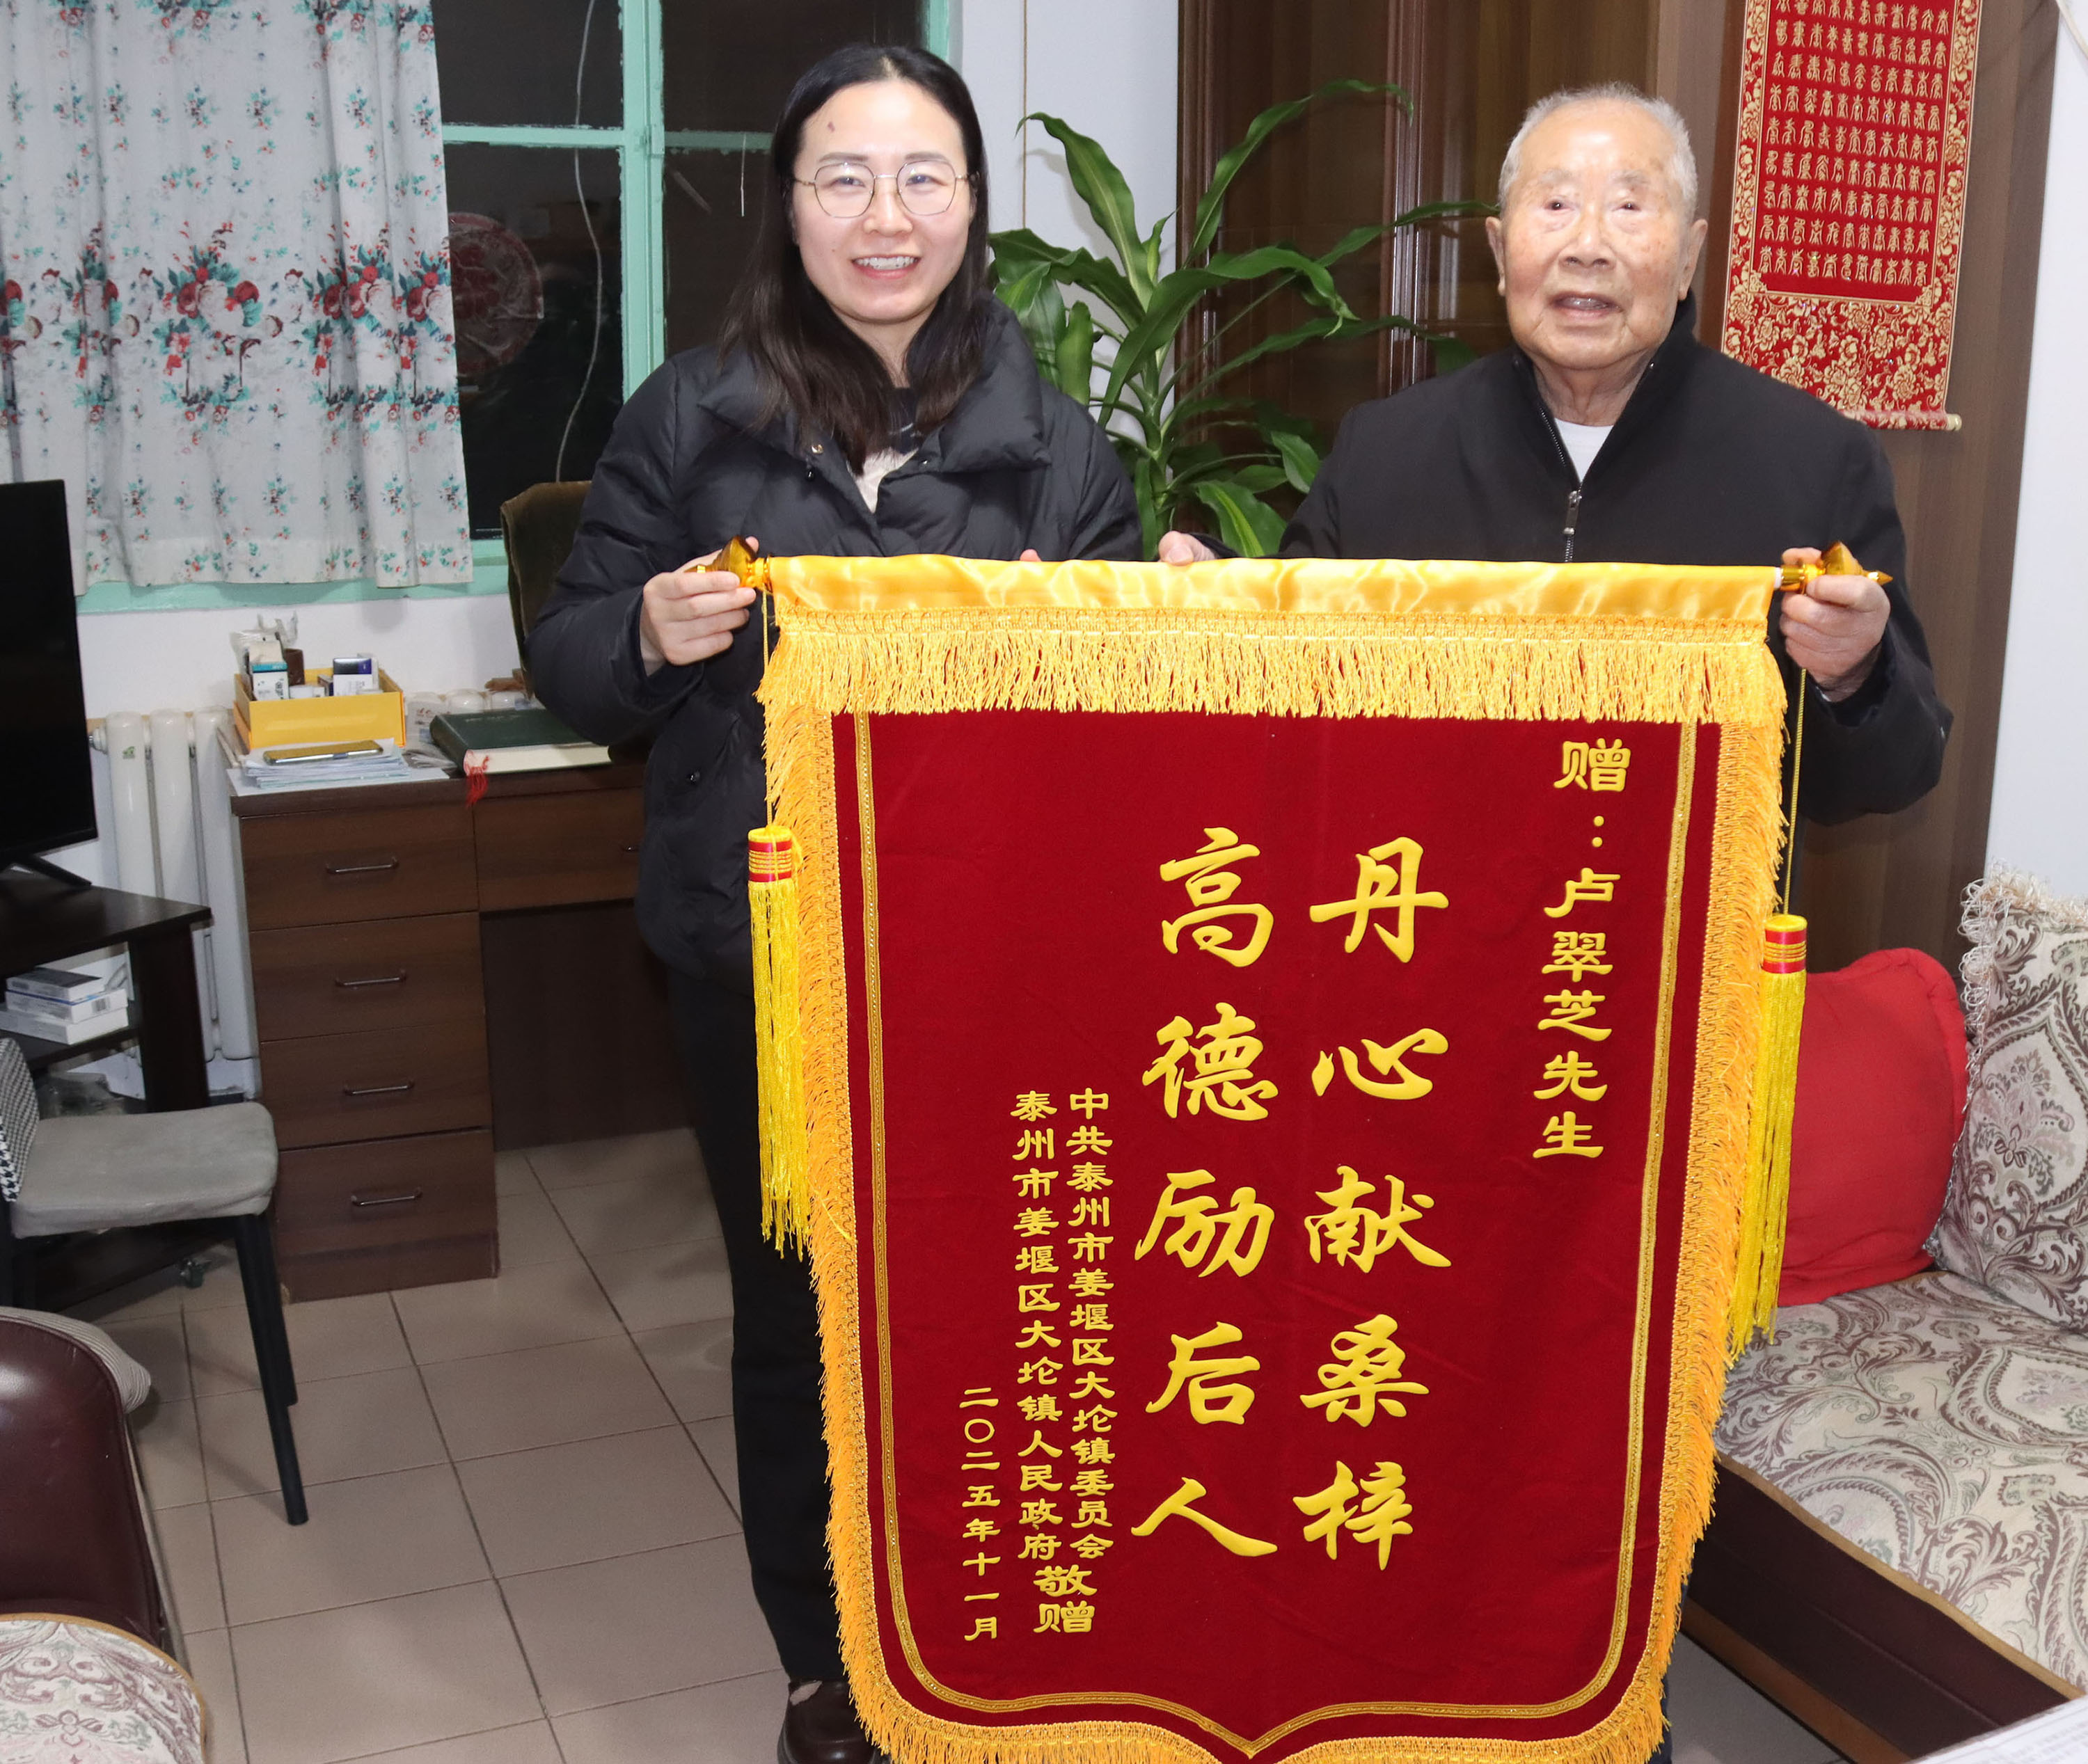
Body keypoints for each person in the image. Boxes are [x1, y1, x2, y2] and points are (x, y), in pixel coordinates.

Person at [528, 44, 1141, 1764]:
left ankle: (990, 1619)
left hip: (992, 967)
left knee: (995, 1296)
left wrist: (1101, 642)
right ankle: (825, 1659)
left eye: (923, 176)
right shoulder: (687, 414)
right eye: (845, 178)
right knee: (797, 1316)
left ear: (972, 204)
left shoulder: (1057, 448)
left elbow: (1138, 735)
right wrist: (645, 630)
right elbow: (569, 661)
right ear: (789, 207)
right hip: (764, 954)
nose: (887, 216)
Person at [1161, 82, 1951, 825]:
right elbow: (1299, 676)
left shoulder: (1815, 459)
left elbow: (1901, 772)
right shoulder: (1385, 450)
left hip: (1681, 916)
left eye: (1630, 206)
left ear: (1688, 259)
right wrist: (1214, 603)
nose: (1588, 245)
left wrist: (1855, 673)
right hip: (1428, 906)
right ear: (1501, 252)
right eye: (1557, 204)